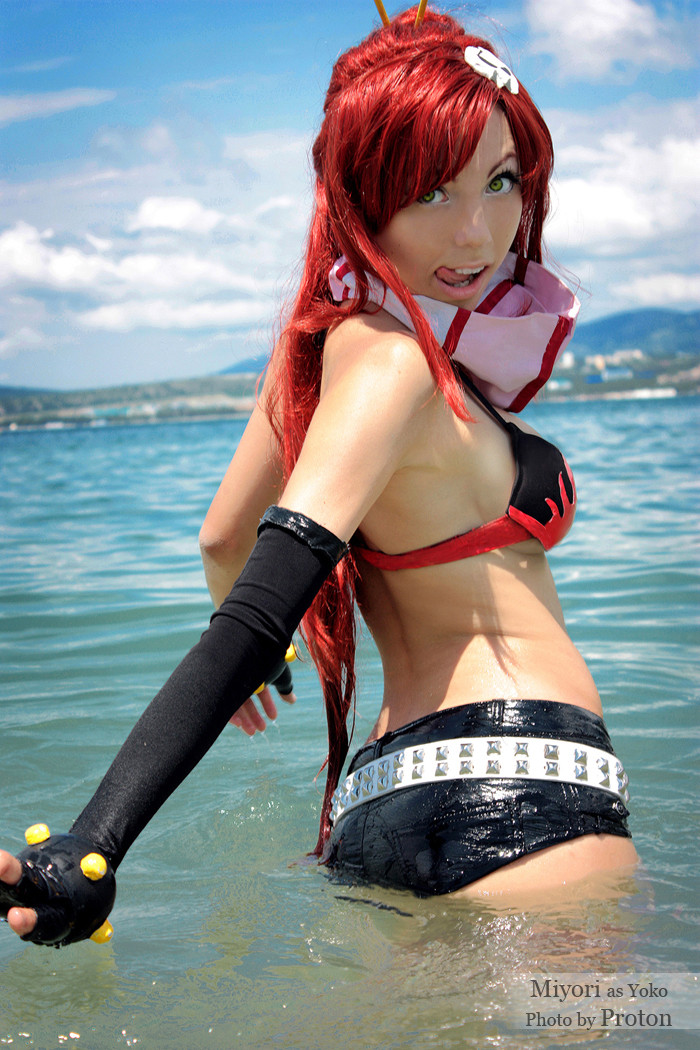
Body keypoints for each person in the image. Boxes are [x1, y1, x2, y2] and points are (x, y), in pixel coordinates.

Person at [0, 4, 637, 947]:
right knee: (646, 1009)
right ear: (362, 196)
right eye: (431, 191)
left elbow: (223, 540)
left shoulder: (324, 356)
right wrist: (97, 842)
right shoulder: (397, 364)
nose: (477, 231)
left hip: (378, 800)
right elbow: (260, 607)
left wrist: (269, 667)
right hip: (529, 786)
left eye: (501, 181)